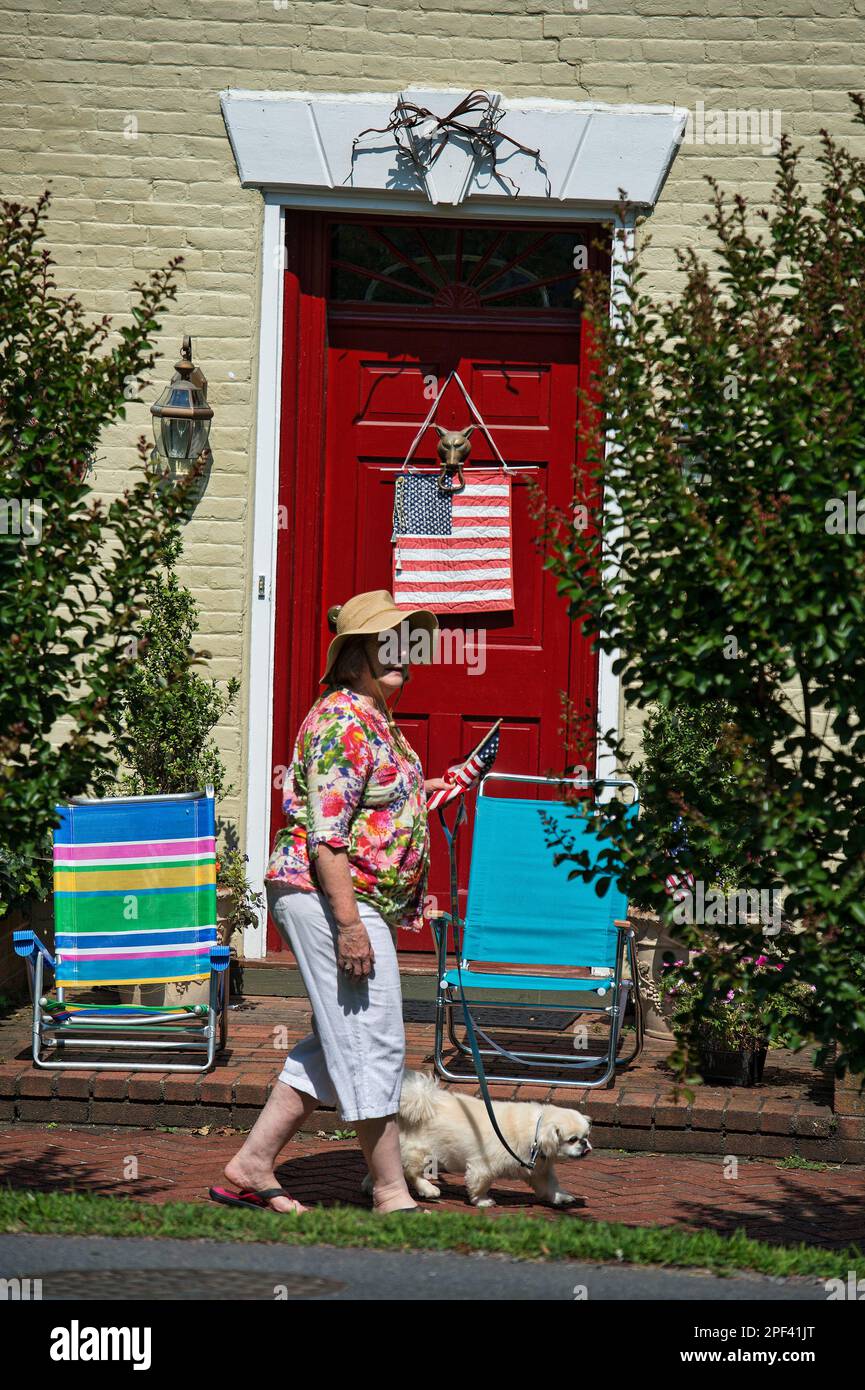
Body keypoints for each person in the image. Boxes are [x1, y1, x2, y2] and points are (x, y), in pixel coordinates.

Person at [212, 590, 449, 1214]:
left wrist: (418, 799)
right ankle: (392, 1191)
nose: (403, 652)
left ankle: (252, 1161)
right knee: (375, 1038)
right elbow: (326, 838)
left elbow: (365, 805)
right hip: (330, 897)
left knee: (338, 1038)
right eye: (387, 642)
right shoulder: (343, 719)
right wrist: (348, 925)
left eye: (407, 641)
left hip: (352, 895)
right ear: (351, 660)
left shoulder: (372, 717)